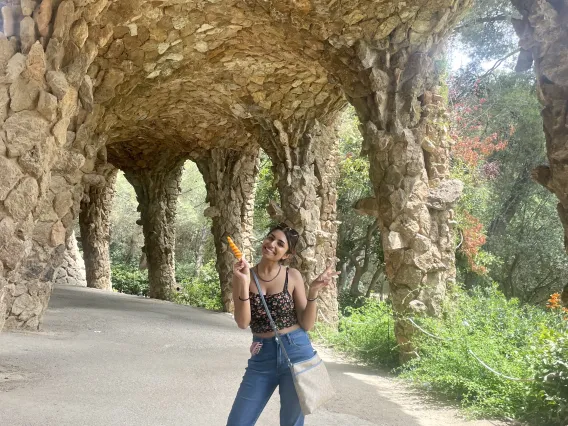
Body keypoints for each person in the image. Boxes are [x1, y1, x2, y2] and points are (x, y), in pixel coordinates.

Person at [226, 223, 339, 426]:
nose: (272, 244)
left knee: (291, 423)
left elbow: (306, 324)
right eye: (270, 238)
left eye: (280, 243)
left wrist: (313, 291)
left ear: (286, 254)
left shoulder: (292, 276)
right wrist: (243, 283)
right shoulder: (243, 276)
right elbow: (243, 322)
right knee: (238, 422)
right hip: (262, 356)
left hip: (296, 352)